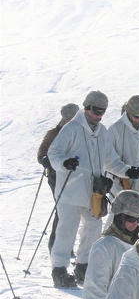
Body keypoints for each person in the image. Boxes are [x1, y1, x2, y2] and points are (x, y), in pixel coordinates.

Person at [46, 90, 138, 288]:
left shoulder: (102, 131)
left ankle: (83, 266)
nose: (99, 115)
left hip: (93, 192)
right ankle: (59, 270)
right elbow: (53, 153)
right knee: (67, 230)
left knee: (93, 228)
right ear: (86, 108)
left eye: (102, 112)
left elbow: (110, 160)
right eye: (96, 111)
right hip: (70, 190)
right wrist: (65, 163)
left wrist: (126, 171)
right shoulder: (71, 129)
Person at [36, 103, 79, 252]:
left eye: (72, 118)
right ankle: (56, 243)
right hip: (56, 176)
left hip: (75, 177)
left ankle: (63, 243)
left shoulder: (80, 133)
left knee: (72, 210)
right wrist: (44, 159)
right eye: (67, 118)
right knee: (62, 209)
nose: (69, 121)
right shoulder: (54, 133)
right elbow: (42, 150)